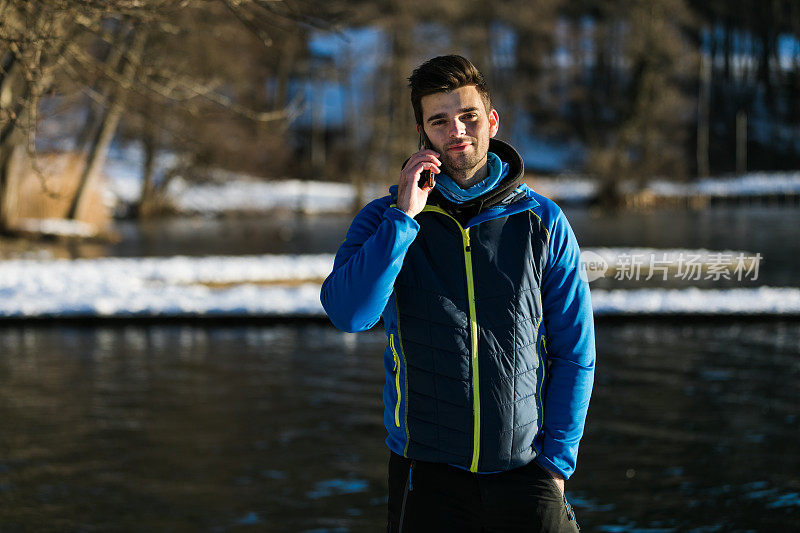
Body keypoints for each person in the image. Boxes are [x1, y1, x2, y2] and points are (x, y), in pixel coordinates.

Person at [320, 55, 595, 532]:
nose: (457, 131)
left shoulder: (542, 222)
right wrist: (404, 219)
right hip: (424, 476)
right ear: (424, 133)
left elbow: (574, 352)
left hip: (527, 471)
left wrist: (556, 465)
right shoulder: (385, 220)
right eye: (439, 120)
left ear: (491, 120)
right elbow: (350, 314)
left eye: (468, 115)